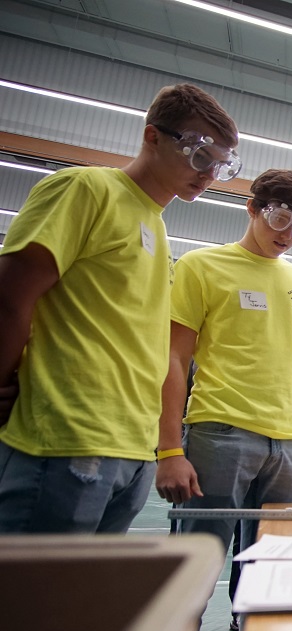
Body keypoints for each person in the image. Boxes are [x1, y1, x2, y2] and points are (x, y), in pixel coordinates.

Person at [0, 84, 239, 534]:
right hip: (68, 438)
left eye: (221, 164)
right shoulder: (86, 189)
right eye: (199, 155)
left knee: (86, 601)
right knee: (32, 600)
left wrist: (162, 448)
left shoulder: (156, 227)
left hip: (132, 449)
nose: (208, 172)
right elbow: (10, 298)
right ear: (153, 137)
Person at [155, 170, 292, 598]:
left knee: (268, 574)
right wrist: (170, 448)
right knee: (195, 568)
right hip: (221, 434)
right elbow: (174, 358)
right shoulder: (201, 266)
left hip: (289, 444)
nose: (289, 234)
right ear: (253, 209)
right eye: (282, 219)